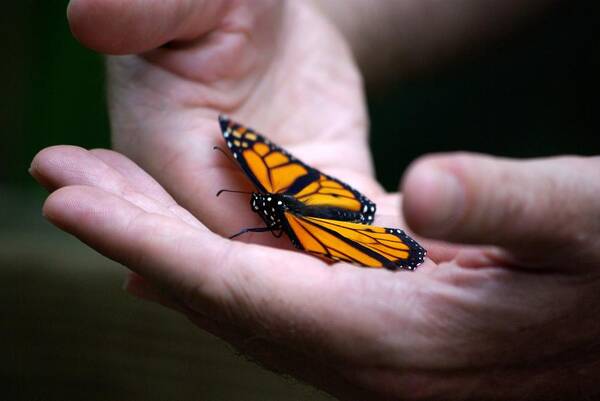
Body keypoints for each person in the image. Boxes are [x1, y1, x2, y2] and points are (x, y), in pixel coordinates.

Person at [30, 1, 599, 400]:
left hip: (328, 223)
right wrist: (304, 16)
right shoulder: (275, 197)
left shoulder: (274, 202)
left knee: (310, 232)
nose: (258, 212)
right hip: (333, 217)